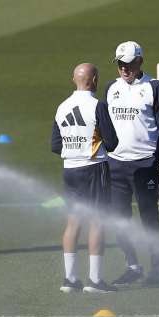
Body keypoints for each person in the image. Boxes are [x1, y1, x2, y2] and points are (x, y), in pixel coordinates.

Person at [103, 41, 159, 285]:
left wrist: (157, 160)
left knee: (149, 217)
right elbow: (105, 126)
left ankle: (158, 269)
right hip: (116, 164)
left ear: (140, 61)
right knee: (118, 218)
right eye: (120, 64)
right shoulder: (111, 88)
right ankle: (132, 265)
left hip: (145, 164)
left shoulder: (154, 87)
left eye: (129, 64)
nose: (124, 68)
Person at [51, 63, 119, 293]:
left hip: (70, 169)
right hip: (94, 169)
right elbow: (112, 143)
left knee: (73, 222)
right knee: (97, 221)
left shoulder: (61, 107)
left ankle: (69, 280)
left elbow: (54, 145)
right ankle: (95, 280)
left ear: (74, 79)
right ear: (95, 80)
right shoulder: (98, 106)